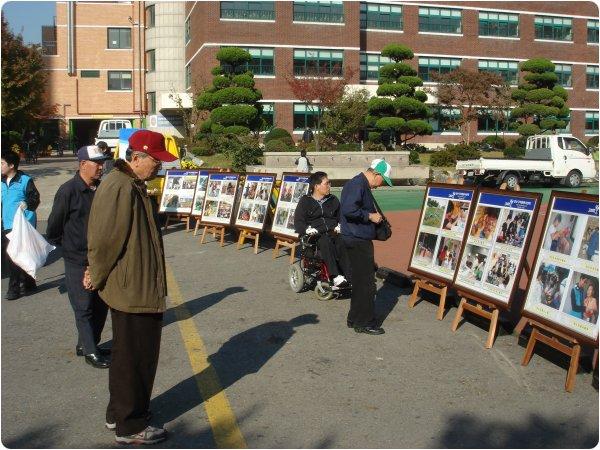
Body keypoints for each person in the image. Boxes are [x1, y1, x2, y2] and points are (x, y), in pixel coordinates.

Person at [86, 130, 177, 444]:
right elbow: (104, 238)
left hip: (136, 286)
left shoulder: (130, 184)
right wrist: (95, 274)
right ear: (136, 158)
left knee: (127, 356)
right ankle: (131, 425)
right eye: (155, 160)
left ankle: (119, 414)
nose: (158, 167)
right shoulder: (120, 186)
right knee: (136, 358)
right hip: (133, 289)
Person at [46, 145, 112, 369]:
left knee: (101, 304)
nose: (101, 167)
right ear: (83, 164)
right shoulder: (68, 191)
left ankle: (87, 343)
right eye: (97, 163)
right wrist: (70, 247)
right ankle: (91, 352)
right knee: (83, 307)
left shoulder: (100, 189)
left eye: (103, 163)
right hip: (77, 258)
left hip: (99, 258)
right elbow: (54, 226)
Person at [339, 159, 392, 335]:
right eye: (383, 180)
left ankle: (354, 318)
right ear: (377, 174)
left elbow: (349, 209)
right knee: (367, 283)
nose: (382, 184)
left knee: (361, 282)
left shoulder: (357, 183)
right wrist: (370, 216)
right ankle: (364, 323)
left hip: (354, 237)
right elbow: (349, 210)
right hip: (358, 239)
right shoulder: (358, 185)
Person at [294, 171, 351, 288]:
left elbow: (341, 217)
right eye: (327, 183)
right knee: (325, 241)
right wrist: (306, 229)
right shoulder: (305, 201)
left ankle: (349, 275)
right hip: (315, 236)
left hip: (332, 232)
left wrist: (340, 225)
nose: (329, 185)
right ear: (316, 186)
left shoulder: (333, 199)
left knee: (342, 240)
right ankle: (335, 276)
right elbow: (298, 222)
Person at [1, 151, 40, 300]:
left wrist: (27, 204)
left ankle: (14, 289)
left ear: (11, 165)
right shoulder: (2, 182)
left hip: (23, 224)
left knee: (14, 256)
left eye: (2, 163)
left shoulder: (25, 180)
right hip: (7, 223)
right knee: (15, 255)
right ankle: (30, 283)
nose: (0, 166)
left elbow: (35, 198)